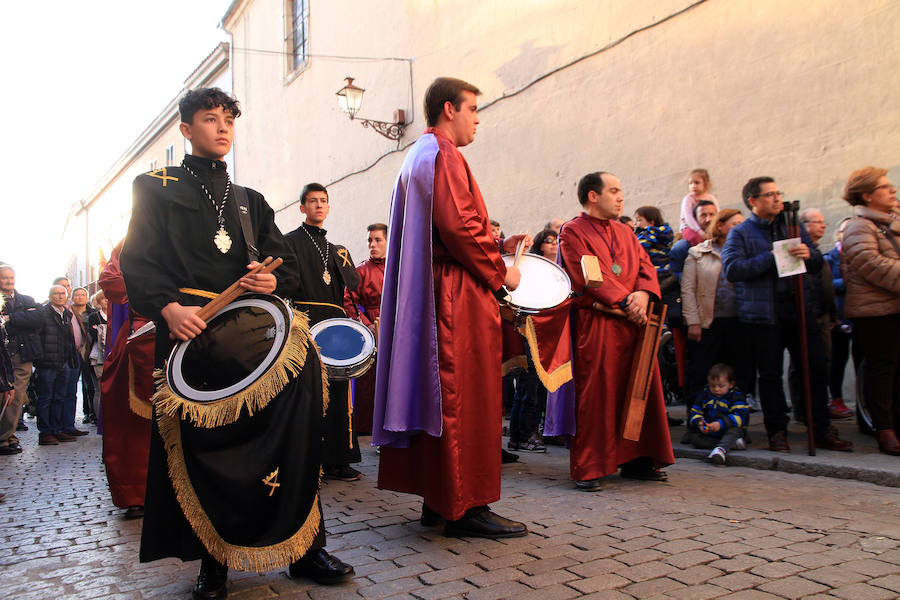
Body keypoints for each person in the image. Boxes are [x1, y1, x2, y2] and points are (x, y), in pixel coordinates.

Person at [120, 87, 352, 600]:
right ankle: (215, 562)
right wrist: (168, 308)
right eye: (209, 119)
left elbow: (283, 263)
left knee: (292, 439)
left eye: (228, 120)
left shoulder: (251, 201)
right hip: (193, 337)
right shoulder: (154, 187)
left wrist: (274, 281)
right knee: (210, 453)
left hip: (256, 339)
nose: (222, 128)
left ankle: (305, 547)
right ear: (186, 129)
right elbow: (138, 260)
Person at [373, 76, 528, 538]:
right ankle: (466, 505)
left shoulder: (417, 154)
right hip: (455, 297)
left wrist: (498, 244)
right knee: (466, 398)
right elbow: (459, 225)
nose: (478, 119)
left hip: (437, 290)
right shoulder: (443, 153)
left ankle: (439, 498)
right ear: (448, 109)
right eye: (473, 109)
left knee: (439, 397)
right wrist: (503, 272)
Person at [557, 171, 675, 491]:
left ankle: (638, 458)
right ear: (593, 196)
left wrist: (643, 295)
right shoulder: (572, 231)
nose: (621, 196)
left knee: (639, 391)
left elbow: (645, 267)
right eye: (614, 190)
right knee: (598, 396)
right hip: (598, 326)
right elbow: (585, 275)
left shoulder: (626, 231)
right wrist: (626, 300)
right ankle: (592, 465)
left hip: (633, 324)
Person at [722, 176, 853, 453]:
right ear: (753, 201)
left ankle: (820, 429)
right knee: (770, 375)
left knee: (815, 369)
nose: (777, 198)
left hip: (799, 309)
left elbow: (817, 262)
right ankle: (777, 431)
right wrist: (772, 256)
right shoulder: (741, 232)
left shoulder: (792, 226)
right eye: (769, 194)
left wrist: (808, 253)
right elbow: (733, 269)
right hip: (763, 315)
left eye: (778, 193)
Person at [284, 183, 362, 481]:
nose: (318, 206)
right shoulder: (288, 243)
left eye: (323, 201)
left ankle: (339, 459)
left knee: (340, 391)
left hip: (336, 325)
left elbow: (354, 286)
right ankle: (307, 458)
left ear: (328, 208)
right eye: (312, 201)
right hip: (305, 322)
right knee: (307, 391)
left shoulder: (338, 250)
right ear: (302, 208)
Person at [839, 167, 900, 455]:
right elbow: (871, 265)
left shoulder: (892, 222)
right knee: (882, 371)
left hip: (895, 307)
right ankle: (884, 430)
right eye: (885, 187)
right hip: (875, 312)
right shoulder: (858, 226)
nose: (893, 191)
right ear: (866, 194)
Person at [98, 243, 154, 520]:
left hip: (195, 327)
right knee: (132, 422)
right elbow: (110, 280)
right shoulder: (132, 238)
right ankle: (137, 492)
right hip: (142, 335)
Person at [681, 209, 748, 405]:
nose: (740, 228)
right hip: (707, 324)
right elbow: (688, 290)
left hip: (739, 322)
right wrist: (693, 322)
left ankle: (734, 423)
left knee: (738, 373)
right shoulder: (698, 252)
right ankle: (698, 422)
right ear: (720, 225)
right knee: (700, 372)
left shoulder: (745, 252)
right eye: (735, 224)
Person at [342, 223, 386, 435]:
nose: (372, 244)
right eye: (370, 240)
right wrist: (367, 325)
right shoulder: (361, 270)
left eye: (378, 240)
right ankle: (368, 426)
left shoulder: (400, 266)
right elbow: (348, 300)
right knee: (372, 381)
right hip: (373, 329)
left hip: (399, 329)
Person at [0, 264, 42, 452]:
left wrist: (10, 319)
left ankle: (6, 435)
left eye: (11, 277)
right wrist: (22, 319)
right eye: (4, 278)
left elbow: (38, 319)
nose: (9, 281)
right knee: (3, 397)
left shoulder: (26, 299)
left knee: (16, 397)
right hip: (4, 354)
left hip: (22, 354)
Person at [32, 286, 79, 446]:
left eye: (62, 294)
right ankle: (45, 432)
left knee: (59, 397)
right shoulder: (43, 314)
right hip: (47, 363)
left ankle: (58, 430)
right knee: (45, 398)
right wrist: (40, 359)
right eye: (56, 294)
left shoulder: (66, 314)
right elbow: (36, 338)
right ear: (50, 296)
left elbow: (69, 339)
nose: (59, 296)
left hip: (64, 361)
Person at [825, 218, 859, 419]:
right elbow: (828, 285)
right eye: (845, 229)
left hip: (862, 317)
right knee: (838, 360)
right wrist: (848, 281)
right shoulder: (829, 258)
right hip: (840, 318)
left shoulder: (863, 255)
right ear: (838, 234)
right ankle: (836, 399)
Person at [685, 363, 749, 465]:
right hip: (710, 431)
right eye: (713, 386)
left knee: (735, 431)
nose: (716, 389)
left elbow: (740, 417)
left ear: (731, 384)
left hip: (727, 429)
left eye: (721, 386)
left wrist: (720, 424)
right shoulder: (704, 395)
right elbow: (695, 412)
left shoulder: (736, 396)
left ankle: (720, 451)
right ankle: (732, 444)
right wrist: (699, 423)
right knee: (694, 439)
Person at [71, 287, 96, 426]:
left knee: (89, 384)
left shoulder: (92, 313)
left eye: (82, 295)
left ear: (87, 297)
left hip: (88, 350)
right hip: (73, 351)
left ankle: (89, 412)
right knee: (72, 385)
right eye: (77, 295)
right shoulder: (69, 312)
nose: (80, 297)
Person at [679, 168, 720, 246]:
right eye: (690, 183)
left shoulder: (711, 197)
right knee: (695, 238)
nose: (693, 186)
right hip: (690, 227)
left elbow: (718, 213)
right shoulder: (688, 199)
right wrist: (700, 232)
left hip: (708, 226)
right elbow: (689, 218)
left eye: (697, 183)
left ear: (706, 184)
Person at [633, 206, 674, 278]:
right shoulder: (664, 233)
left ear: (651, 223)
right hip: (667, 268)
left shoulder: (645, 236)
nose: (635, 223)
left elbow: (640, 253)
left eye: (639, 220)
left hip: (653, 271)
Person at [86, 290, 107, 425]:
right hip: (99, 355)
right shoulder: (94, 316)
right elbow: (93, 334)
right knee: (99, 389)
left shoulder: (118, 315)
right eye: (104, 299)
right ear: (99, 301)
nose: (107, 301)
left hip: (116, 355)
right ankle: (100, 419)